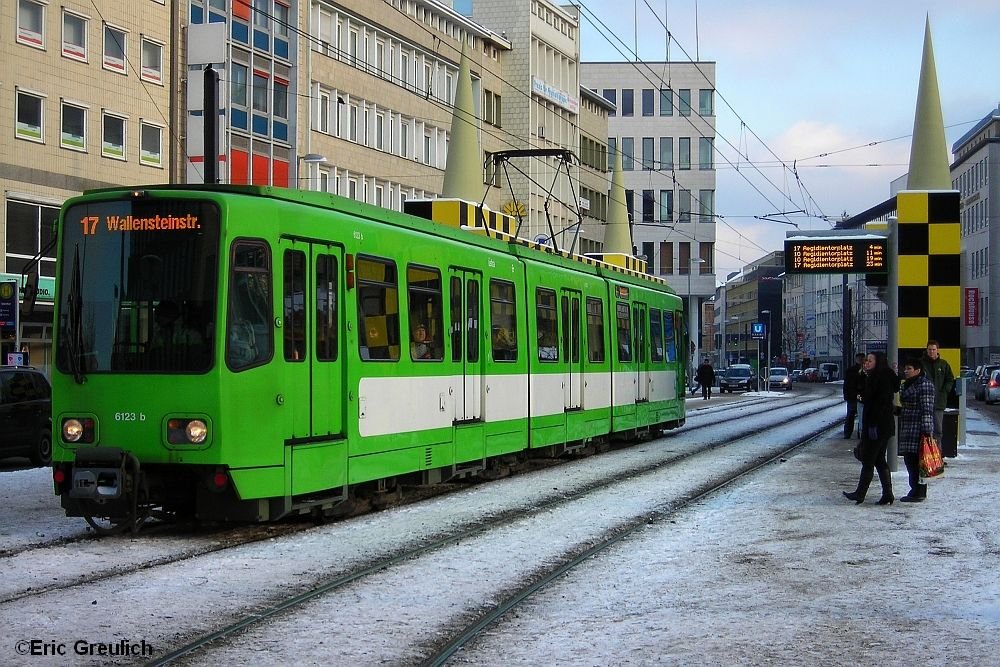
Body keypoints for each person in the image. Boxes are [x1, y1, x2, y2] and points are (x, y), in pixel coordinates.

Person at [843, 352, 897, 505]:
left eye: (869, 360)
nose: (866, 363)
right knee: (879, 460)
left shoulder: (880, 378)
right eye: (865, 360)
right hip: (881, 425)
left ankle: (860, 494)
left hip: (877, 425)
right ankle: (887, 494)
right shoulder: (876, 376)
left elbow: (878, 403)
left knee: (869, 459)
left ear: (878, 362)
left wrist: (872, 425)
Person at [898, 358, 936, 503]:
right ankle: (915, 489)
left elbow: (927, 409)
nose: (906, 371)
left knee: (917, 462)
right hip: (908, 427)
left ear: (918, 370)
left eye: (909, 368)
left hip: (918, 429)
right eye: (905, 369)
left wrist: (927, 432)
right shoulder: (907, 385)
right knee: (909, 460)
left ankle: (918, 491)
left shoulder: (924, 385)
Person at [920, 340, 954, 442]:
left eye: (933, 350)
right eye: (929, 349)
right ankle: (925, 454)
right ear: (926, 350)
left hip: (939, 402)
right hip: (923, 402)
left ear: (937, 350)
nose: (931, 352)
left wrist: (945, 391)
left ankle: (937, 454)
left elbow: (950, 379)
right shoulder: (921, 363)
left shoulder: (943, 364)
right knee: (924, 430)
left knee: (938, 430)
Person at [843, 353, 866, 439]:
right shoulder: (864, 371)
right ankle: (857, 434)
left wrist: (846, 395)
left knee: (851, 415)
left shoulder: (850, 370)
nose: (860, 360)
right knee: (859, 415)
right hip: (856, 396)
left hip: (854, 396)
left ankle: (848, 433)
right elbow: (846, 384)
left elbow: (846, 385)